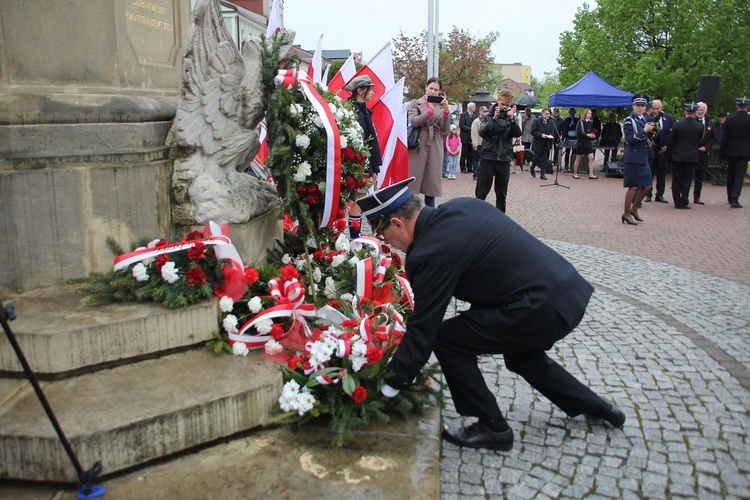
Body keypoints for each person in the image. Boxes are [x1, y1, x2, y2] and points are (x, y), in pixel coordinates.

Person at [356, 178, 626, 452]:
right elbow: (492, 272)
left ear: (397, 224)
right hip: (565, 291)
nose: (387, 242)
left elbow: (424, 330)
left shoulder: (430, 252)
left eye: (382, 233)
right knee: (523, 357)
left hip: (539, 307)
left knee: (448, 341)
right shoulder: (463, 206)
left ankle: (493, 426)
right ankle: (599, 407)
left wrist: (388, 386)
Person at [345, 75, 382, 238]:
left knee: (360, 202)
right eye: (370, 89)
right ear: (360, 90)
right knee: (357, 203)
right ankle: (355, 237)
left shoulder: (363, 111)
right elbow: (361, 144)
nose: (373, 92)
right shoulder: (356, 113)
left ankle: (357, 236)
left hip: (366, 165)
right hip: (360, 166)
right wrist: (369, 168)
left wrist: (375, 167)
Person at [475, 89, 522, 213]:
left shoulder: (511, 118)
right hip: (488, 159)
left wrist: (512, 120)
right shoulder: (487, 116)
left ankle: (500, 222)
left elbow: (517, 133)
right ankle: (477, 220)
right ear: (497, 102)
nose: (504, 108)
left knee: (501, 195)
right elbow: (483, 133)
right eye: (502, 104)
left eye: (507, 105)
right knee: (481, 194)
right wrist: (494, 119)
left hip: (504, 159)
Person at [407, 77, 450, 208]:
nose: (433, 91)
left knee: (431, 185)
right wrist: (430, 111)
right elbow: (414, 121)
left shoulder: (441, 106)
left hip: (434, 144)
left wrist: (446, 112)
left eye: (436, 90)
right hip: (418, 144)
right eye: (431, 88)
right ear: (426, 87)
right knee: (413, 184)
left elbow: (445, 130)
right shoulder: (415, 103)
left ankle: (430, 216)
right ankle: (410, 216)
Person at [621, 94, 656, 225]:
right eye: (638, 106)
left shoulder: (645, 119)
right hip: (633, 156)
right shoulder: (629, 120)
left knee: (647, 185)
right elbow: (630, 140)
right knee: (633, 187)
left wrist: (653, 132)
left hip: (643, 156)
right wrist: (645, 131)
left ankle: (634, 208)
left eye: (642, 106)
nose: (640, 108)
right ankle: (626, 213)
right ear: (633, 106)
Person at [668, 102, 703, 209]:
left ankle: (676, 201)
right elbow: (700, 141)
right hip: (691, 156)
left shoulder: (677, 125)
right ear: (695, 113)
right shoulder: (700, 126)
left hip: (678, 156)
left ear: (685, 112)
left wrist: (669, 155)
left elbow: (671, 142)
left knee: (677, 179)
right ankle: (684, 200)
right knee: (687, 180)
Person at [720, 96, 750, 208]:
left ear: (737, 106)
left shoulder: (729, 119)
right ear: (747, 106)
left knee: (731, 173)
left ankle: (729, 196)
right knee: (740, 175)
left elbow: (724, 137)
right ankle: (735, 198)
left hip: (731, 151)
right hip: (745, 151)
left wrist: (722, 153)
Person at [648, 99, 673, 203]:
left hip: (663, 150)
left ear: (661, 108)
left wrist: (667, 146)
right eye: (654, 108)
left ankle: (660, 195)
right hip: (651, 149)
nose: (655, 110)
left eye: (658, 108)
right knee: (649, 172)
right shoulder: (648, 118)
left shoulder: (668, 118)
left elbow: (672, 134)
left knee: (662, 173)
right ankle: (647, 194)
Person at [692, 102, 715, 205]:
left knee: (700, 176)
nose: (700, 111)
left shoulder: (710, 123)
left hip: (703, 154)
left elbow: (713, 138)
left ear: (706, 111)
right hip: (692, 152)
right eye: (698, 109)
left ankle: (697, 197)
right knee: (688, 175)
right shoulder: (692, 121)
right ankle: (684, 196)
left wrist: (706, 147)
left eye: (702, 110)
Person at [529, 108, 559, 180]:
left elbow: (552, 132)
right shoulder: (537, 121)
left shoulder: (551, 122)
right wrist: (541, 135)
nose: (547, 115)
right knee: (536, 158)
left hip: (547, 143)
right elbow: (532, 131)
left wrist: (550, 136)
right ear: (542, 114)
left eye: (549, 114)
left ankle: (543, 174)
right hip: (538, 143)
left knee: (545, 159)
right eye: (546, 114)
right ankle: (532, 167)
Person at [571, 109, 599, 179]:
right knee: (578, 158)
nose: (590, 115)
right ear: (585, 114)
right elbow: (578, 133)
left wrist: (592, 135)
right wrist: (587, 135)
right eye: (588, 113)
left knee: (591, 157)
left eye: (590, 113)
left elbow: (590, 131)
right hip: (581, 142)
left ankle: (591, 174)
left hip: (588, 142)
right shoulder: (580, 122)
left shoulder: (590, 122)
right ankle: (575, 173)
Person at [459, 102, 476, 174]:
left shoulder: (475, 116)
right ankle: (463, 167)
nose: (475, 108)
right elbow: (461, 125)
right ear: (470, 107)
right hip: (465, 136)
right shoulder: (463, 115)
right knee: (464, 153)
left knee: (471, 153)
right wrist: (470, 129)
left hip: (472, 137)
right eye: (474, 107)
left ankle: (470, 167)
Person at [470, 106, 487, 180]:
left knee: (483, 159)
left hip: (485, 143)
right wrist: (475, 143)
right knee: (476, 159)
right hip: (478, 143)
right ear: (480, 112)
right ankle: (476, 174)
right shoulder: (476, 121)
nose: (485, 113)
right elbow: (474, 133)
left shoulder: (487, 120)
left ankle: (481, 173)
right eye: (484, 111)